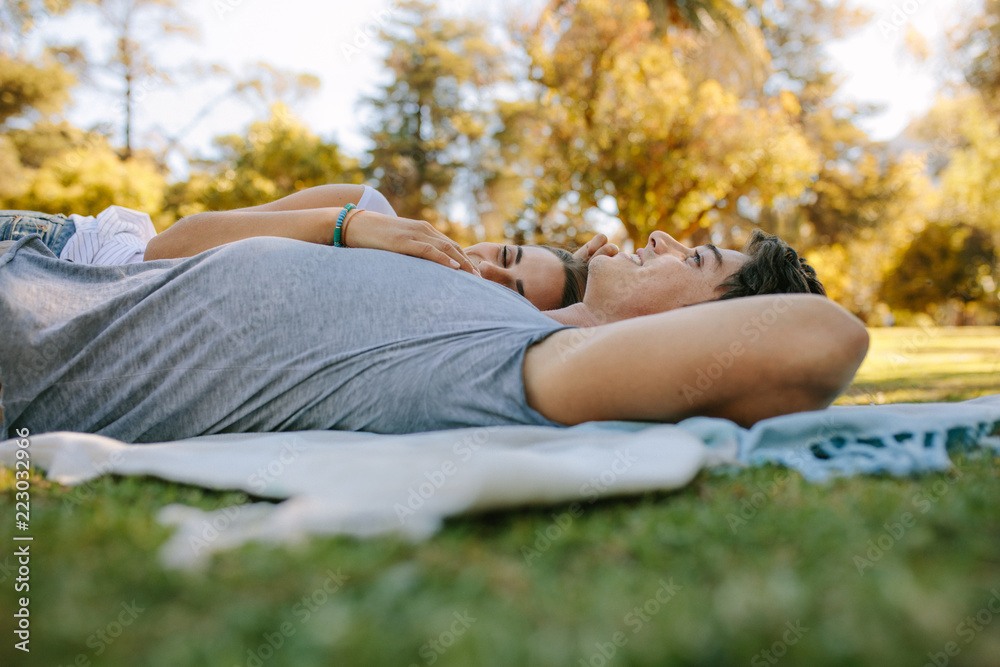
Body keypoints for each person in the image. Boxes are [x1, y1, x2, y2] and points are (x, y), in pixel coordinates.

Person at [0, 217, 867, 443]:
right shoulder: (499, 300)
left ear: (706, 324)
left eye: (700, 256)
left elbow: (821, 340)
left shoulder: (524, 364)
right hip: (41, 256)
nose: (664, 239)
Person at [1, 184, 597, 311]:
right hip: (62, 257)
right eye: (509, 254)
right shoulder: (370, 207)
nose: (486, 268)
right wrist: (349, 225)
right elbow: (167, 247)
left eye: (512, 290)